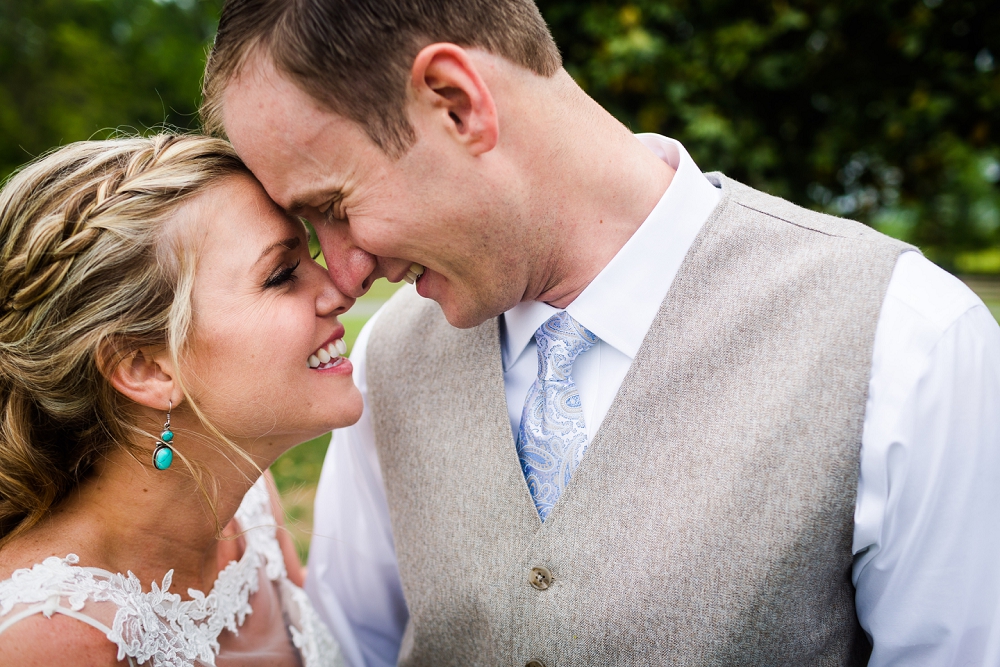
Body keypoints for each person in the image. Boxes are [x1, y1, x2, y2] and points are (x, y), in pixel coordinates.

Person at [202, 1, 1000, 665]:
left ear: (456, 101)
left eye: (334, 206)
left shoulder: (909, 340)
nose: (342, 274)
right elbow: (355, 648)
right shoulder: (390, 360)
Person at [0, 134, 361, 667]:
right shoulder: (45, 639)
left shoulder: (246, 503)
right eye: (281, 276)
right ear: (145, 367)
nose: (339, 290)